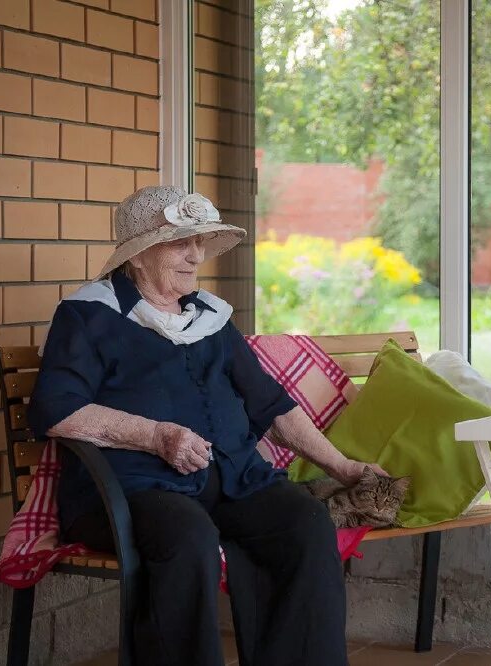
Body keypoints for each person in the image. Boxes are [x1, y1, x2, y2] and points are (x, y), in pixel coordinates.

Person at [29, 186, 384, 666]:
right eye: (182, 242)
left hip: (232, 480)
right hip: (133, 489)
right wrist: (156, 436)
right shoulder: (89, 315)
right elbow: (56, 410)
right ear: (138, 255)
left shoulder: (211, 317)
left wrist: (343, 467)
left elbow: (271, 405)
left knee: (303, 522)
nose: (196, 255)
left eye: (200, 242)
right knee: (186, 537)